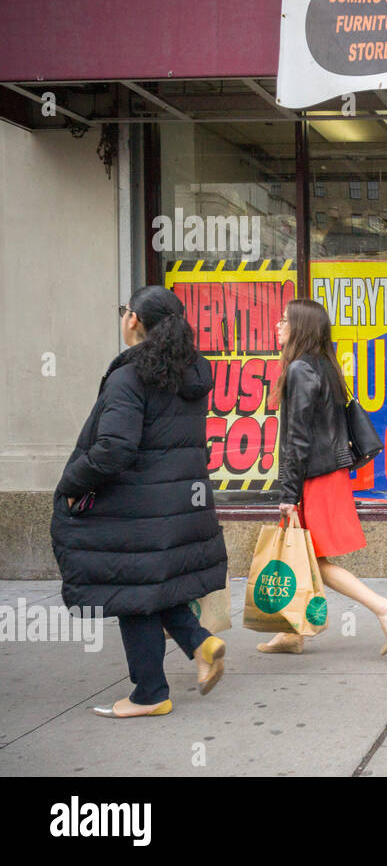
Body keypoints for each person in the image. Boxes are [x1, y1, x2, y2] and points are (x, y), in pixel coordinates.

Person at [50, 286, 229, 718]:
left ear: (133, 320)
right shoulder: (188, 373)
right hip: (177, 505)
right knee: (149, 583)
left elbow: (114, 448)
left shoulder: (130, 376)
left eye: (124, 311)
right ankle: (199, 642)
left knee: (129, 591)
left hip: (136, 507)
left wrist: (72, 482)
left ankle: (150, 694)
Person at [257, 298, 387, 656]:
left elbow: (298, 439)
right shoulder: (323, 365)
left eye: (284, 320)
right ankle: (292, 631)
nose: (278, 326)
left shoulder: (299, 370)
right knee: (303, 555)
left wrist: (288, 494)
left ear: (301, 328)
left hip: (315, 478)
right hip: (326, 474)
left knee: (317, 560)